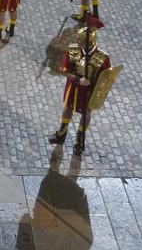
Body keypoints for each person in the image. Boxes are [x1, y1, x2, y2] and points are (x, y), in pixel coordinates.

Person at [48, 16, 111, 155]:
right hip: (74, 87)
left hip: (89, 91)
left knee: (86, 114)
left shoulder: (102, 58)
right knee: (67, 109)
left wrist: (95, 88)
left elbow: (105, 79)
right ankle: (62, 133)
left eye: (80, 41)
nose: (78, 42)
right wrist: (77, 78)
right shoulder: (73, 50)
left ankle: (79, 139)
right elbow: (64, 70)